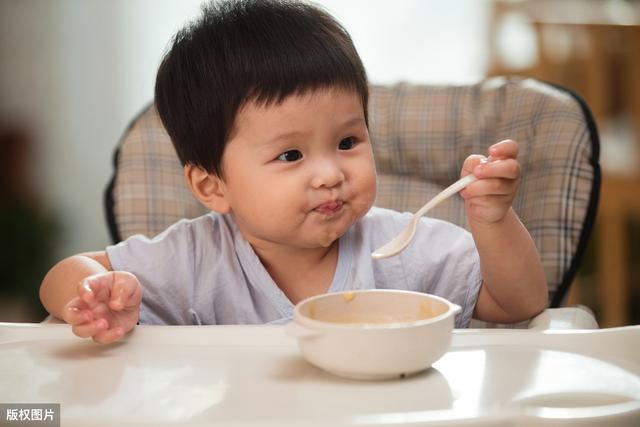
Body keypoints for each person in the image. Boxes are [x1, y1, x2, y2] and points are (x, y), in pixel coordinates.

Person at [39, 0, 547, 344]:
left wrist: (493, 221)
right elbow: (63, 275)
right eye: (290, 156)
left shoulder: (405, 250)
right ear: (212, 187)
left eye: (347, 142)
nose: (329, 173)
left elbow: (518, 304)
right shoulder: (194, 261)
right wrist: (96, 298)